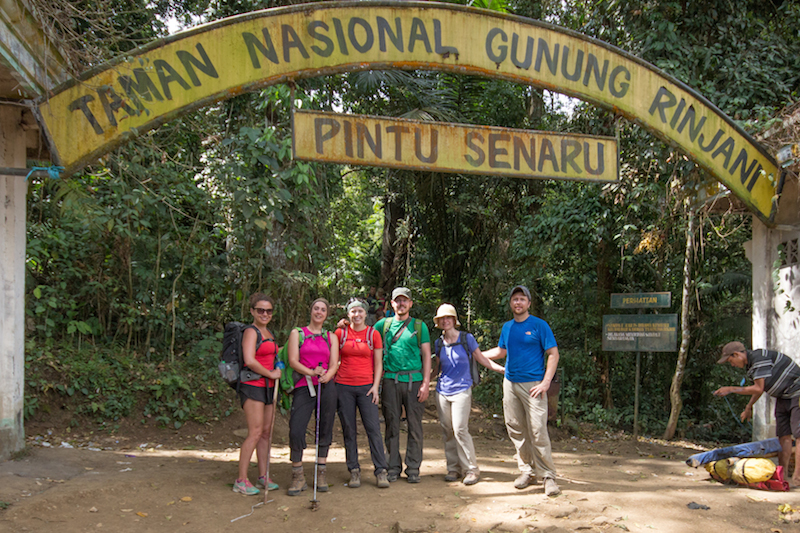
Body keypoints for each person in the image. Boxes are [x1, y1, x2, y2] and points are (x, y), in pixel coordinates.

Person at [483, 285, 561, 496]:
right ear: (511, 303)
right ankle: (527, 470)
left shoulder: (539, 325)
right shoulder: (508, 327)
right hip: (510, 383)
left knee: (537, 429)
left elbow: (553, 354)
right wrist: (478, 354)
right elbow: (502, 351)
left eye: (522, 299)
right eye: (514, 299)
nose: (518, 302)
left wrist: (546, 382)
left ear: (528, 303)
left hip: (534, 385)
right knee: (515, 428)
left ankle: (548, 476)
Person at [432, 303, 505, 485]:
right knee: (447, 430)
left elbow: (482, 359)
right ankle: (453, 468)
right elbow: (436, 368)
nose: (445, 321)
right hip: (442, 391)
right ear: (439, 322)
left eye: (448, 318)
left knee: (460, 429)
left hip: (462, 390)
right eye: (442, 319)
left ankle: (471, 469)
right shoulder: (438, 343)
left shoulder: (467, 339)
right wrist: (423, 382)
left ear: (454, 320)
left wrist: (503, 370)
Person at [714, 341, 800, 486]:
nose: (732, 364)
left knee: (798, 436)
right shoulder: (751, 368)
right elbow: (759, 388)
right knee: (783, 436)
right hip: (782, 397)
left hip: (797, 393)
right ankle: (783, 475)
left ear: (736, 355)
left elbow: (759, 388)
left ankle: (797, 477)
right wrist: (748, 407)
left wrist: (730, 388)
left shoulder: (760, 358)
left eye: (731, 361)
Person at [374, 287, 432, 483]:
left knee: (415, 426)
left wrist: (425, 384)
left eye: (404, 300)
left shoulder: (419, 326)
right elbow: (365, 337)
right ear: (392, 304)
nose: (401, 304)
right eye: (397, 300)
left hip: (414, 381)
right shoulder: (383, 325)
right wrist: (345, 324)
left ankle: (413, 468)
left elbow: (426, 356)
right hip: (391, 380)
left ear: (410, 304)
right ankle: (393, 467)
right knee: (392, 424)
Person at [286, 298, 339, 496]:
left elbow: (334, 363)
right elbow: (292, 360)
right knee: (296, 427)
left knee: (325, 425)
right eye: (316, 308)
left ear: (327, 314)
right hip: (304, 385)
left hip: (326, 385)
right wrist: (310, 371)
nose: (319, 312)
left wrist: (327, 375)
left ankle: (321, 471)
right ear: (311, 311)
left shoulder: (330, 336)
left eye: (323, 309)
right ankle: (297, 474)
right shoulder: (297, 333)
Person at [336, 298, 391, 488]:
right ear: (348, 314)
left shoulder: (373, 334)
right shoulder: (340, 333)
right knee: (349, 430)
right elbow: (334, 359)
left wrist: (376, 387)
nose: (356, 315)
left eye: (360, 311)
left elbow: (378, 363)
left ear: (366, 314)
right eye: (353, 312)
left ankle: (381, 470)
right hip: (343, 386)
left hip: (367, 387)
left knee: (373, 429)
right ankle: (354, 471)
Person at [233, 293, 282, 496]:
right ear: (252, 311)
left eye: (268, 310)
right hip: (252, 385)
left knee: (265, 432)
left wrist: (278, 364)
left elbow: (271, 354)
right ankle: (241, 480)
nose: (264, 314)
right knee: (254, 432)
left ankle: (263, 475)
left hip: (268, 386)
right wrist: (270, 372)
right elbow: (250, 360)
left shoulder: (267, 331)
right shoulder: (251, 332)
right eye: (260, 310)